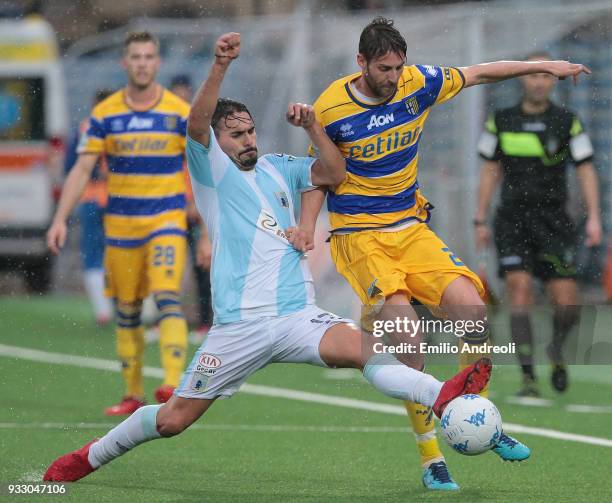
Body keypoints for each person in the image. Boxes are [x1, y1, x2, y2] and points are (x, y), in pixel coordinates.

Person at [43, 31, 495, 485]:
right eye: (235, 135)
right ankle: (90, 456)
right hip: (241, 326)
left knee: (372, 351)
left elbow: (334, 173)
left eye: (250, 131)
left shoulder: (280, 165)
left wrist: (312, 128)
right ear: (217, 143)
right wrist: (220, 65)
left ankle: (448, 399)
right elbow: (197, 124)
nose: (246, 140)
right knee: (173, 420)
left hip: (298, 316)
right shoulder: (211, 171)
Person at [293, 16, 589, 490]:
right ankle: (432, 459)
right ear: (361, 63)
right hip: (359, 235)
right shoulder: (330, 107)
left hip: (410, 226)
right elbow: (319, 176)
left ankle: (477, 416)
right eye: (384, 68)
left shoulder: (418, 82)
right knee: (408, 340)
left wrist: (546, 66)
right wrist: (307, 229)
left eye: (399, 67)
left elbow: (479, 73)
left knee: (472, 310)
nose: (393, 77)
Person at [47, 31, 191, 415]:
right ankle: (132, 393)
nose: (143, 63)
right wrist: (60, 218)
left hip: (166, 221)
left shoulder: (178, 111)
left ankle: (174, 382)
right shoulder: (105, 113)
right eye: (136, 57)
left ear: (157, 63)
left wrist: (207, 226)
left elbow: (200, 167)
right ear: (124, 64)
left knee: (167, 296)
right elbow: (82, 167)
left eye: (149, 56)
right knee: (127, 308)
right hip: (122, 228)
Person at [475, 50, 601, 397]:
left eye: (546, 75)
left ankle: (557, 348)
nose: (539, 81)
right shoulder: (500, 120)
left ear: (552, 81)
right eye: (533, 75)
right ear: (522, 79)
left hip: (555, 222)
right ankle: (528, 377)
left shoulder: (568, 121)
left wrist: (594, 218)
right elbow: (489, 170)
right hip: (512, 219)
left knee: (567, 304)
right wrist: (479, 218)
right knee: (519, 290)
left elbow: (586, 168)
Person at [64, 88, 114, 326]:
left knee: (93, 253)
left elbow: (72, 165)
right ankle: (124, 304)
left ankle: (102, 309)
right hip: (117, 198)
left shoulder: (87, 126)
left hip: (92, 198)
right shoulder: (122, 125)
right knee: (120, 251)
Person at [169, 74, 214, 337]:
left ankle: (205, 321)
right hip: (172, 208)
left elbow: (204, 168)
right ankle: (165, 320)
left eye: (184, 92)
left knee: (202, 266)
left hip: (195, 209)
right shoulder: (167, 125)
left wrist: (198, 202)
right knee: (169, 266)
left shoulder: (197, 128)